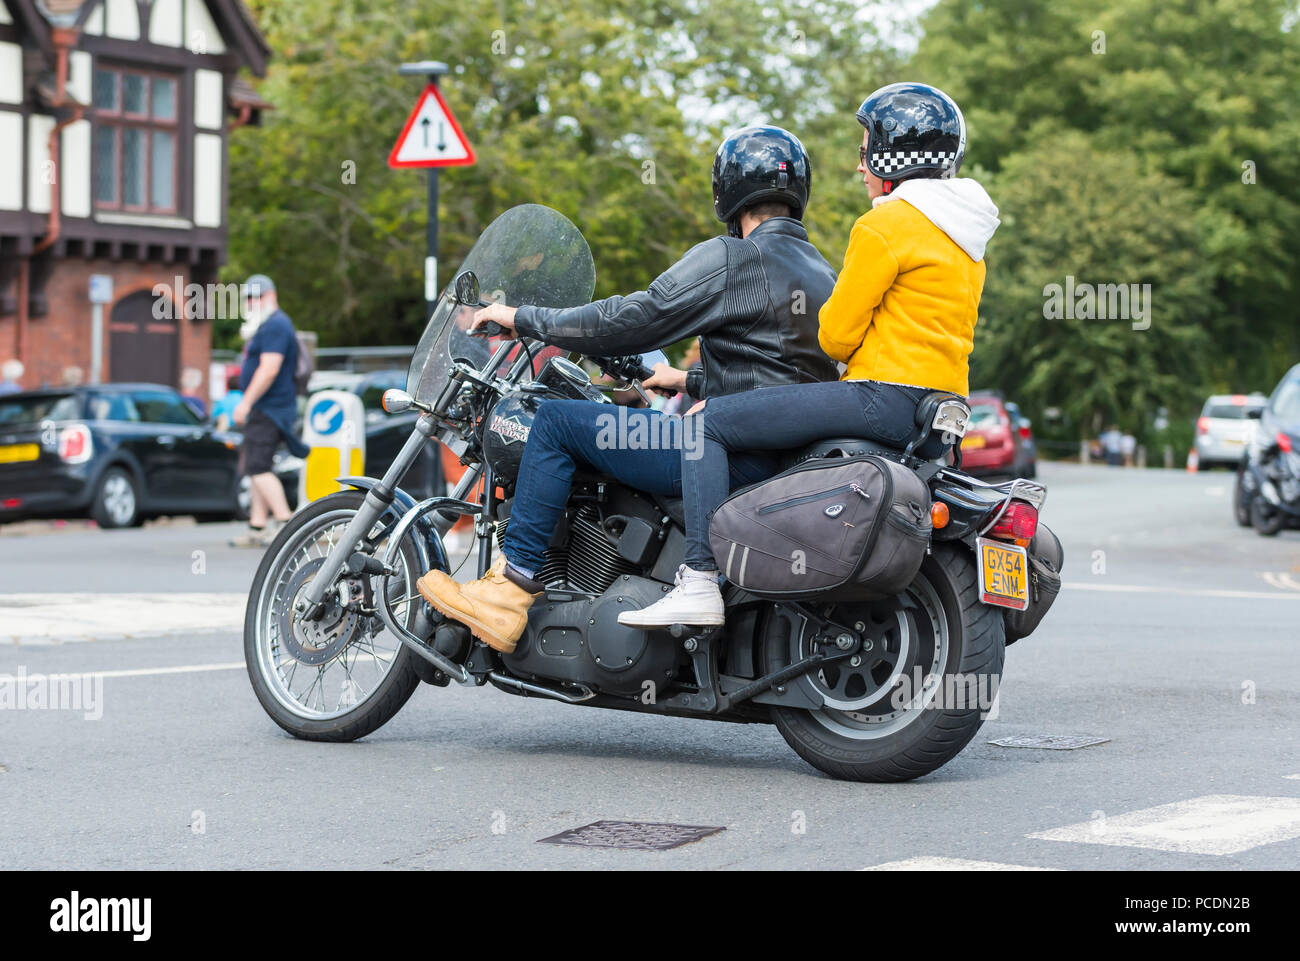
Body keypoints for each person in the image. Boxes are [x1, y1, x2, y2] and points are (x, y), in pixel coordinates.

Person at [415, 125, 840, 654]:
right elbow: (785, 375)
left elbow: (637, 316)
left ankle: (510, 589)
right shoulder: (824, 272)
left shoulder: (734, 257)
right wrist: (687, 379)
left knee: (554, 423)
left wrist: (522, 317)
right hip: (779, 457)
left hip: (721, 453)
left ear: (727, 193)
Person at [619, 82, 1002, 629]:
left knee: (710, 428)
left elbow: (835, 336)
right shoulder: (966, 235)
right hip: (940, 406)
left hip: (882, 396)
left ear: (894, 154)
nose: (860, 163)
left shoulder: (885, 224)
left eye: (867, 146)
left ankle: (698, 579)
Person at [229, 274, 309, 548]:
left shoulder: (275, 325)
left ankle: (287, 525)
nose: (251, 303)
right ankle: (257, 526)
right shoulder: (269, 325)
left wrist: (246, 402)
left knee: (258, 466)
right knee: (257, 466)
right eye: (248, 298)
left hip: (270, 407)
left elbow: (269, 368)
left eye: (256, 297)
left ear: (270, 296)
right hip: (269, 407)